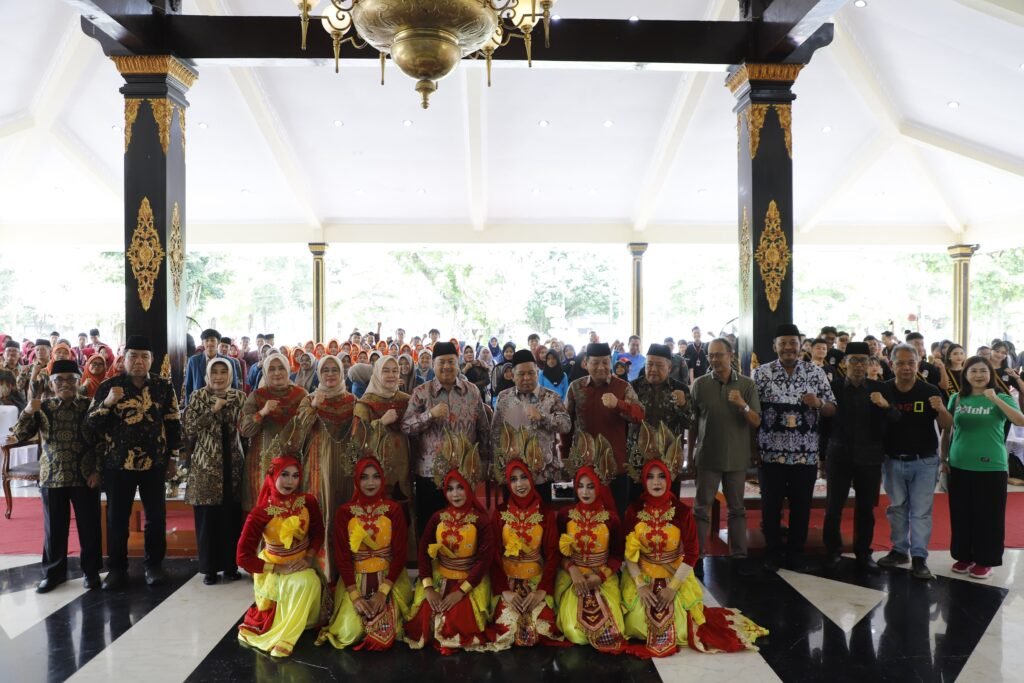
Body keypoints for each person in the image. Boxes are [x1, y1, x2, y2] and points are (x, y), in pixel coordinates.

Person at [621, 445, 767, 657]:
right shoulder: (634, 510)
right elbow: (628, 550)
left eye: (661, 476)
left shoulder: (680, 511)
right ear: (643, 480)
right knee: (636, 625)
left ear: (669, 479)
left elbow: (691, 553)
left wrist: (672, 588)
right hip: (641, 575)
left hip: (674, 575)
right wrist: (640, 585)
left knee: (681, 629)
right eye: (650, 477)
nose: (656, 482)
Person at [87, 335, 181, 590]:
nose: (139, 362)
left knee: (156, 518)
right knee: (117, 518)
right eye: (133, 356)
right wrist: (107, 404)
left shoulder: (163, 387)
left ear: (151, 360)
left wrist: (172, 457)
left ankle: (154, 566)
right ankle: (117, 569)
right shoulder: (109, 386)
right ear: (124, 358)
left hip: (155, 464)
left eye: (144, 357)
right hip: (118, 464)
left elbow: (173, 423)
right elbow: (91, 424)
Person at [8, 359, 102, 593]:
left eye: (71, 379)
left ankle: (91, 573)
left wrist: (98, 470)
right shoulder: (43, 407)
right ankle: (53, 574)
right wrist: (28, 410)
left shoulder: (90, 405)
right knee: (54, 528)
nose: (65, 384)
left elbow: (104, 440)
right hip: (52, 475)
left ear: (79, 381)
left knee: (89, 527)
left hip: (84, 475)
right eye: (59, 380)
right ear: (51, 383)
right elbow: (19, 434)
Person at [754, 324, 836, 573]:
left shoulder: (816, 373)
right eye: (783, 343)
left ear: (801, 345)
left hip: (805, 454)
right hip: (770, 454)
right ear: (775, 346)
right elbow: (752, 413)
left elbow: (833, 408)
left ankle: (796, 553)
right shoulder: (761, 374)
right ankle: (773, 552)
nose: (789, 347)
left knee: (802, 506)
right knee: (770, 506)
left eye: (793, 342)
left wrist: (819, 402)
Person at [403, 432, 495, 653]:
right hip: (439, 576)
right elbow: (425, 552)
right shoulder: (437, 517)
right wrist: (428, 588)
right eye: (451, 488)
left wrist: (461, 591)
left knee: (457, 621)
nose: (455, 494)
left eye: (461, 487)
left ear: (469, 487)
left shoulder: (481, 520)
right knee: (425, 618)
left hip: (469, 583)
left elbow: (484, 560)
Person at [316, 453, 412, 650]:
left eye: (376, 476)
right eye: (364, 477)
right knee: (349, 633)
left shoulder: (393, 510)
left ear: (383, 479)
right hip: (355, 581)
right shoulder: (345, 512)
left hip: (389, 579)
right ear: (356, 480)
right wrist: (355, 596)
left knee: (384, 635)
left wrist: (383, 592)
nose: (370, 482)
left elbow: (401, 554)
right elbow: (342, 557)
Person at [821, 342, 900, 574]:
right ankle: (833, 552)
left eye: (863, 361)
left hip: (870, 457)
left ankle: (863, 553)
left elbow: (896, 418)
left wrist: (885, 405)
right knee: (833, 507)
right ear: (845, 362)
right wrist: (822, 456)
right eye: (853, 360)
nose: (858, 365)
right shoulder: (833, 387)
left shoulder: (881, 388)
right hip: (838, 455)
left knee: (866, 508)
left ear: (870, 364)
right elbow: (823, 425)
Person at [943, 356, 1024, 579]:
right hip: (959, 464)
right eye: (973, 371)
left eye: (983, 371)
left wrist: (996, 400)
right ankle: (964, 556)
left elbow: (1020, 421)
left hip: (992, 467)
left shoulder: (1002, 396)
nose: (979, 375)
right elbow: (947, 431)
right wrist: (943, 459)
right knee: (961, 514)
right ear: (966, 375)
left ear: (990, 374)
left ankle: (985, 560)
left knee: (988, 516)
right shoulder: (957, 398)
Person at [236, 456, 326, 657]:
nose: (290, 481)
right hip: (275, 569)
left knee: (308, 579)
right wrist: (277, 568)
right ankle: (286, 637)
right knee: (306, 583)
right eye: (284, 475)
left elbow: (318, 532)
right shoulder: (261, 512)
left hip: (303, 562)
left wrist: (309, 557)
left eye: (295, 476)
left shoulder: (308, 501)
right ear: (272, 476)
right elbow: (242, 557)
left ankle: (294, 628)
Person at [877, 343, 952, 580]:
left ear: (918, 364)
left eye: (911, 362)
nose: (906, 367)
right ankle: (900, 551)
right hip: (892, 460)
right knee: (897, 508)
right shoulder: (884, 390)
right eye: (900, 363)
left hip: (925, 461)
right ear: (892, 365)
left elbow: (948, 425)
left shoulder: (929, 390)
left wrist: (940, 409)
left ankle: (919, 557)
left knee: (920, 512)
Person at [401, 342, 490, 539]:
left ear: (458, 363)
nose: (447, 366)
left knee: (464, 527)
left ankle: (460, 567)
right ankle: (429, 569)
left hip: (464, 471)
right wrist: (429, 415)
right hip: (430, 473)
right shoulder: (421, 392)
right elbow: (406, 426)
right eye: (441, 362)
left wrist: (483, 462)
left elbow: (483, 429)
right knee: (430, 528)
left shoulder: (472, 391)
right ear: (433, 365)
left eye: (451, 361)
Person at [487, 427, 564, 649]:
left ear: (531, 479)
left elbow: (553, 555)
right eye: (514, 479)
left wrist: (542, 590)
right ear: (507, 484)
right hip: (507, 581)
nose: (520, 484)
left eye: (524, 478)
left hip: (537, 580)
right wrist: (505, 591)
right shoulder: (500, 514)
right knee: (508, 630)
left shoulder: (546, 513)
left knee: (543, 628)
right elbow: (493, 555)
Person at [689, 338, 761, 564]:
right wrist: (690, 455)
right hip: (707, 456)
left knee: (737, 509)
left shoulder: (747, 385)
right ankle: (696, 555)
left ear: (731, 355)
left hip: (737, 458)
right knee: (701, 509)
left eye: (719, 354)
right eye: (711, 355)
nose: (714, 359)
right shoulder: (700, 385)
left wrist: (743, 405)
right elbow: (692, 424)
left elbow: (756, 421)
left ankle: (738, 555)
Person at [554, 434, 626, 653]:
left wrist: (600, 576)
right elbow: (556, 552)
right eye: (581, 486)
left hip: (602, 576)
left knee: (614, 631)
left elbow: (617, 556)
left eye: (591, 486)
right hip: (571, 578)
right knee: (574, 631)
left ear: (600, 488)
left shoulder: (611, 518)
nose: (584, 492)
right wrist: (572, 570)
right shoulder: (565, 515)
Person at [285, 355, 355, 580]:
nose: (331, 374)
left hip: (344, 467)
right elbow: (299, 431)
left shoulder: (353, 400)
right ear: (319, 374)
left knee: (342, 511)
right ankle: (318, 570)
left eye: (335, 370)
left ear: (342, 372)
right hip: (316, 464)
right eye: (325, 370)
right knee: (320, 512)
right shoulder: (309, 399)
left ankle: (343, 570)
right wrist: (314, 407)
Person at [182, 358, 246, 586]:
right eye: (214, 372)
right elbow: (188, 427)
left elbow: (245, 429)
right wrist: (213, 409)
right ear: (207, 376)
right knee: (208, 519)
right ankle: (209, 569)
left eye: (223, 372)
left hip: (233, 466)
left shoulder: (239, 397)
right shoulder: (199, 397)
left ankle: (230, 566)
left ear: (230, 375)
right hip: (206, 467)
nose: (219, 377)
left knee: (230, 518)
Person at [564, 342, 645, 516]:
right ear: (586, 363)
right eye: (595, 363)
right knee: (582, 518)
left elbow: (640, 416)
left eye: (605, 362)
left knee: (616, 517)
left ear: (611, 362)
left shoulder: (623, 387)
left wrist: (619, 404)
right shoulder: (575, 388)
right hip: (584, 466)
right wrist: (564, 458)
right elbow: (566, 426)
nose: (601, 367)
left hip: (615, 467)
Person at [491, 350, 571, 503]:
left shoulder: (551, 397)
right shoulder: (504, 397)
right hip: (514, 475)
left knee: (543, 520)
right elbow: (495, 435)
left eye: (531, 373)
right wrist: (497, 469)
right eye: (521, 374)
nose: (526, 378)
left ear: (537, 372)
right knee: (513, 521)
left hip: (544, 474)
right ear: (513, 375)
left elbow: (566, 425)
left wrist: (543, 418)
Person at [239, 353, 308, 511]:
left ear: (288, 369)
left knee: (292, 511)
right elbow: (245, 430)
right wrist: (262, 413)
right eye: (272, 369)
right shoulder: (257, 396)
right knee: (263, 508)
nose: (277, 373)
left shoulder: (301, 395)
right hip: (262, 462)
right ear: (265, 373)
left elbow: (309, 427)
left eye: (281, 368)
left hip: (293, 462)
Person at [630, 344, 691, 484]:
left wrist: (683, 405)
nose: (653, 369)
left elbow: (690, 423)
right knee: (637, 502)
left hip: (669, 458)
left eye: (659, 365)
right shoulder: (633, 387)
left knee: (669, 503)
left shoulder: (680, 389)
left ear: (669, 368)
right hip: (638, 458)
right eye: (649, 364)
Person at [183, 329, 240, 407]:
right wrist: (188, 408)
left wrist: (231, 406)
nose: (209, 343)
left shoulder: (229, 362)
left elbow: (234, 386)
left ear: (218, 342)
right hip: (199, 405)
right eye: (206, 340)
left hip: (222, 405)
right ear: (202, 343)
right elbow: (188, 386)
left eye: (212, 340)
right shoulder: (193, 361)